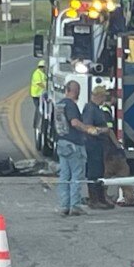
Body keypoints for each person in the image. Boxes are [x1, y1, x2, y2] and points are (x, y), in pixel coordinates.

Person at [55, 80, 89, 216]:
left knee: (64, 176)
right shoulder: (71, 105)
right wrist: (87, 129)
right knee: (76, 175)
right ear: (75, 91)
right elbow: (74, 122)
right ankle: (75, 205)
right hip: (73, 144)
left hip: (62, 143)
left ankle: (64, 205)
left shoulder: (59, 104)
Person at [83, 84, 115, 210]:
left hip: (99, 145)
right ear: (99, 96)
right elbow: (88, 127)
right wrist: (103, 130)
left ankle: (101, 198)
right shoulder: (90, 109)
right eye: (103, 96)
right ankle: (94, 200)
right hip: (92, 145)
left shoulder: (97, 108)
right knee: (94, 172)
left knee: (100, 172)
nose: (104, 99)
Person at [28, 60, 48, 126]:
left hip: (41, 94)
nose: (42, 68)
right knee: (38, 109)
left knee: (43, 109)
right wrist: (47, 87)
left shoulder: (43, 73)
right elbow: (39, 83)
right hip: (36, 95)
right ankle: (36, 123)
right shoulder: (37, 73)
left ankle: (42, 123)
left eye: (43, 67)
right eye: (41, 67)